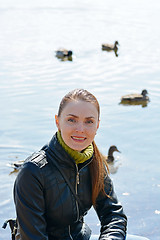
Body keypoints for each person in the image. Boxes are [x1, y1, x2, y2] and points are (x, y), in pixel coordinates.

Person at [14, 88, 127, 240]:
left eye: (89, 121)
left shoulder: (95, 161)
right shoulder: (33, 172)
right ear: (57, 122)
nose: (80, 129)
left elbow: (113, 215)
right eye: (71, 120)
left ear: (97, 126)